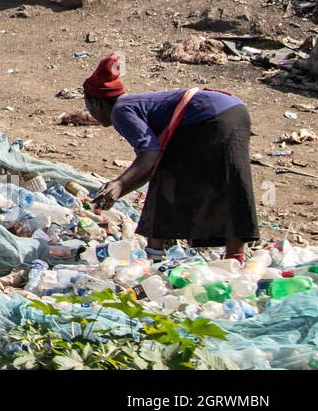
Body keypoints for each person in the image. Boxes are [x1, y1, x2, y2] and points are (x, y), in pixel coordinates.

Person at [83, 52, 258, 261]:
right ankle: (235, 258)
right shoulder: (134, 104)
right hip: (235, 110)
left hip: (208, 117)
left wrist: (119, 182)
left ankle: (154, 255)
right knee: (230, 181)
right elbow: (148, 164)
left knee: (167, 177)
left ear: (95, 102)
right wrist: (119, 190)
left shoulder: (120, 110)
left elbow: (150, 154)